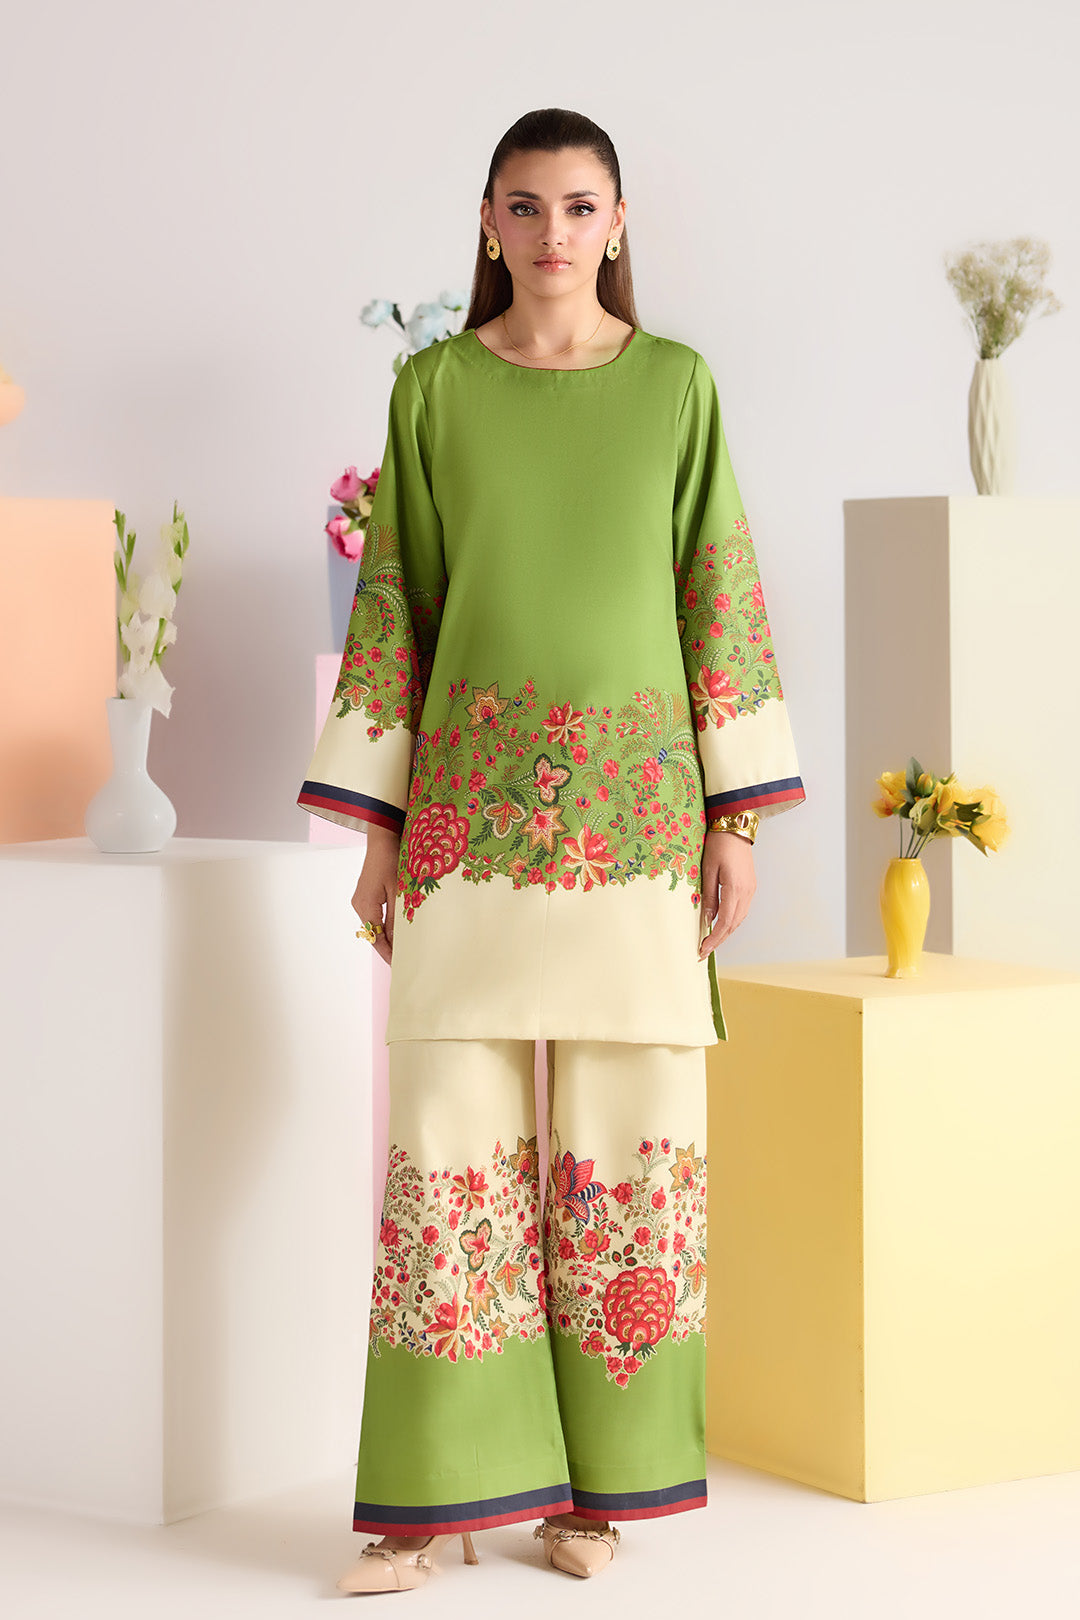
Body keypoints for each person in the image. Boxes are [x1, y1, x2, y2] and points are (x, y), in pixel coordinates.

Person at [297, 106, 806, 1593]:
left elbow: (719, 596)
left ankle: (597, 1495)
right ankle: (427, 1500)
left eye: (580, 207)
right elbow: (397, 606)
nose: (553, 234)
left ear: (619, 222)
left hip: (637, 833)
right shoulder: (434, 389)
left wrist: (733, 819)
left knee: (630, 1148)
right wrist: (381, 834)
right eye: (525, 207)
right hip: (465, 825)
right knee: (443, 1147)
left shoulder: (677, 387)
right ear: (488, 222)